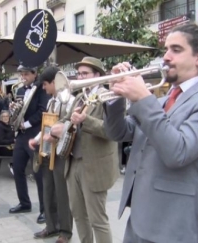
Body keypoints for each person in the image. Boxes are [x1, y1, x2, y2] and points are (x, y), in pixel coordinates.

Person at [103, 17, 198, 243]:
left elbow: (179, 152)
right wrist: (116, 96)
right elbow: (119, 133)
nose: (166, 57)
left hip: (174, 226)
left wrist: (144, 97)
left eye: (176, 49)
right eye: (166, 49)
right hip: (139, 219)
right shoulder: (163, 100)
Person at [47, 57, 119, 243]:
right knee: (78, 215)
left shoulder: (109, 96)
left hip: (95, 166)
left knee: (98, 220)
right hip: (74, 163)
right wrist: (58, 127)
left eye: (85, 73)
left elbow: (111, 131)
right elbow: (68, 119)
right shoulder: (79, 97)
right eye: (79, 73)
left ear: (97, 75)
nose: (80, 77)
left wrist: (85, 121)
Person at [29, 66, 74, 243]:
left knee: (62, 193)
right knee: (48, 191)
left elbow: (70, 126)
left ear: (54, 83)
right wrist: (37, 139)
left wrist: (55, 136)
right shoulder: (50, 102)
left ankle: (65, 231)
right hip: (48, 152)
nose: (44, 88)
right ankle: (51, 225)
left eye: (46, 85)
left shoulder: (69, 100)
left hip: (62, 152)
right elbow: (45, 126)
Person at [9, 65, 50, 225]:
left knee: (39, 173)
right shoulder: (19, 90)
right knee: (17, 169)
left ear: (35, 74)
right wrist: (13, 110)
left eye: (26, 74)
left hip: (35, 134)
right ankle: (24, 203)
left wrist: (25, 124)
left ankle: (44, 210)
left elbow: (42, 111)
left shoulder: (41, 89)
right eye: (21, 74)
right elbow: (19, 111)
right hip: (21, 136)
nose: (23, 77)